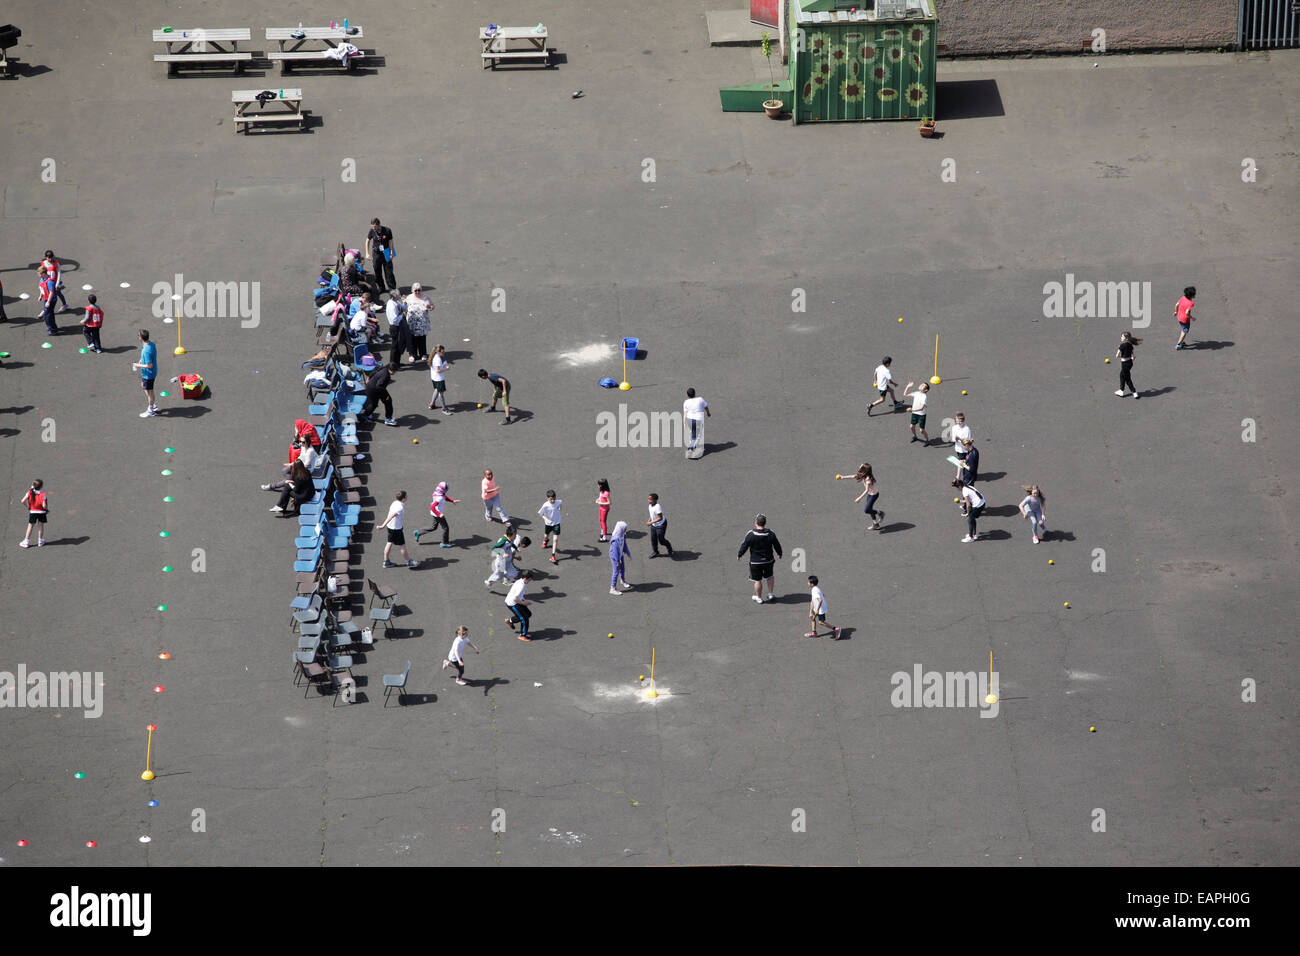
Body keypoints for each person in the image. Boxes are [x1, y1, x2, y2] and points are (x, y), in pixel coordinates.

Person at [737, 514, 782, 603]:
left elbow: (744, 545)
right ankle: (770, 593)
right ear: (765, 523)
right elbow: (777, 545)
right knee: (770, 576)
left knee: (757, 580)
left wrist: (740, 554)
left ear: (756, 523)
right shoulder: (770, 533)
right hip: (768, 560)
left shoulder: (751, 534)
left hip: (755, 562)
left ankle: (759, 597)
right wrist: (779, 553)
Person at [378, 490, 418, 568]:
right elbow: (391, 516)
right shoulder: (399, 507)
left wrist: (384, 526)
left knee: (389, 542)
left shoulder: (395, 502)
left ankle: (386, 562)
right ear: (403, 498)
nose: (407, 497)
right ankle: (409, 561)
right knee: (402, 545)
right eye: (406, 496)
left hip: (390, 527)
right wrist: (382, 526)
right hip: (396, 529)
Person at [414, 481, 458, 547]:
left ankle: (418, 532)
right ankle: (444, 543)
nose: (447, 490)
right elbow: (432, 507)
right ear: (443, 490)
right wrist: (439, 514)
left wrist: (452, 500)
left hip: (434, 514)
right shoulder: (439, 498)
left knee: (433, 527)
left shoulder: (438, 493)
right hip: (438, 514)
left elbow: (445, 497)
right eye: (446, 489)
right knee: (446, 528)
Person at [360, 361, 398, 427]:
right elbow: (379, 386)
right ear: (391, 370)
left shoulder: (383, 368)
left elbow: (374, 371)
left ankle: (367, 414)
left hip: (371, 387)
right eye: (394, 371)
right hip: (374, 390)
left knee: (378, 403)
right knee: (378, 403)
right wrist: (386, 396)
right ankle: (365, 415)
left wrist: (369, 378)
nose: (395, 372)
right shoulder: (386, 376)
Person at [131, 329, 159, 418]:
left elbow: (149, 365)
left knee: (149, 391)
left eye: (138, 335)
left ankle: (151, 410)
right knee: (145, 387)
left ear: (141, 338)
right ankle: (153, 405)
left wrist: (138, 365)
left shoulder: (146, 350)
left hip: (149, 374)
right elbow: (143, 358)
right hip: (150, 373)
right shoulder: (150, 344)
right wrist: (139, 362)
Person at [365, 218, 396, 294]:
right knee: (377, 271)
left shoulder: (387, 230)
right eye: (372, 226)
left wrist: (391, 253)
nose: (373, 228)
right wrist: (367, 253)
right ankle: (381, 287)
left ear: (379, 225)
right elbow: (367, 241)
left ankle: (392, 288)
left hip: (386, 252)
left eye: (375, 227)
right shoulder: (372, 231)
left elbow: (391, 242)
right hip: (376, 253)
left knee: (388, 271)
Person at [805, 575, 841, 640]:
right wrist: (810, 612)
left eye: (808, 582)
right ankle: (814, 633)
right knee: (812, 618)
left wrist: (817, 611)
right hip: (816, 607)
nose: (807, 583)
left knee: (821, 622)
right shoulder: (814, 589)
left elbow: (820, 600)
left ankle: (836, 629)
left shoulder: (815, 590)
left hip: (820, 609)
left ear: (812, 584)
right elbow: (812, 601)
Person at [404, 283, 432, 363]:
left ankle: (423, 354)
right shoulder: (408, 297)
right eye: (415, 290)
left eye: (419, 290)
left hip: (422, 322)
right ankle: (412, 354)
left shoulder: (425, 297)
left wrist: (429, 307)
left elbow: (432, 306)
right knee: (412, 339)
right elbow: (404, 308)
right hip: (412, 322)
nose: (417, 292)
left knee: (422, 338)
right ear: (412, 290)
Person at [851, 463, 884, 531]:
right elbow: (853, 476)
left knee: (867, 510)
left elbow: (866, 490)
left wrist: (859, 498)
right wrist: (843, 477)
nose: (860, 465)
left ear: (864, 470)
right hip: (870, 494)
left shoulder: (868, 479)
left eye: (861, 466)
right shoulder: (863, 474)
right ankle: (876, 525)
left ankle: (880, 513)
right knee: (870, 509)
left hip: (874, 495)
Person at [504, 571, 535, 641]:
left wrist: (523, 600)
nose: (530, 581)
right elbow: (515, 599)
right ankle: (522, 635)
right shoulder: (521, 585)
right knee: (524, 619)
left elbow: (517, 594)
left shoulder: (520, 581)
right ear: (526, 578)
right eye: (530, 579)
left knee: (528, 614)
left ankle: (510, 621)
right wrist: (524, 603)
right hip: (513, 604)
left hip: (516, 601)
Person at [953, 478, 986, 543]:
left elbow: (968, 505)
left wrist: (967, 513)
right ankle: (974, 534)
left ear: (959, 486)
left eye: (957, 487)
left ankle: (971, 537)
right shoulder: (967, 486)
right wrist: (961, 501)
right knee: (972, 519)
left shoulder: (964, 491)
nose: (957, 489)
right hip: (982, 502)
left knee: (969, 519)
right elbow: (971, 499)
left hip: (978, 505)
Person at [19, 479, 48, 548]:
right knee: (41, 526)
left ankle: (26, 542)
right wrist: (46, 509)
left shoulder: (29, 492)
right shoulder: (43, 494)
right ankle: (40, 541)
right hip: (42, 512)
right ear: (41, 487)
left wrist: (28, 507)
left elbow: (22, 501)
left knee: (30, 526)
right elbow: (44, 506)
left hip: (33, 512)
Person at [538, 490, 563, 564]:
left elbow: (560, 505)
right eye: (551, 499)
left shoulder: (558, 502)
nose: (552, 500)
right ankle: (546, 540)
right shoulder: (545, 505)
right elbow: (541, 514)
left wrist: (560, 508)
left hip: (556, 523)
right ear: (547, 498)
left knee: (555, 539)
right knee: (546, 535)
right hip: (548, 524)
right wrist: (547, 519)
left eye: (554, 499)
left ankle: (553, 555)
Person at [385, 290, 409, 366]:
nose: (400, 295)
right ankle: (392, 364)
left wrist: (405, 304)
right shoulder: (392, 306)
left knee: (399, 344)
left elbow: (403, 308)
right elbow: (394, 320)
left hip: (399, 325)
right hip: (395, 327)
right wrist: (402, 315)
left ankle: (397, 363)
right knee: (394, 346)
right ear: (395, 296)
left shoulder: (396, 302)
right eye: (399, 294)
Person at [645, 493, 673, 557]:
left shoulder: (657, 507)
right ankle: (656, 552)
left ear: (655, 500)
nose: (648, 500)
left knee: (662, 541)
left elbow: (660, 518)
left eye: (650, 499)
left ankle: (670, 549)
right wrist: (649, 520)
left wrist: (651, 522)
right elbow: (652, 515)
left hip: (661, 525)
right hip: (654, 525)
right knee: (653, 539)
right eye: (648, 499)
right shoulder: (650, 505)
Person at [683, 387, 710, 452]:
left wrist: (684, 424)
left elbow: (684, 414)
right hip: (698, 420)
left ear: (687, 395)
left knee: (692, 433)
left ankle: (691, 445)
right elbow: (706, 406)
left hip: (689, 420)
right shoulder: (700, 399)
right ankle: (692, 448)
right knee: (698, 434)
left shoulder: (686, 402)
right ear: (695, 393)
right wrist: (708, 413)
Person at [608, 521, 632, 595]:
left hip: (620, 555)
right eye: (624, 528)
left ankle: (623, 581)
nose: (625, 530)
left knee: (623, 569)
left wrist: (628, 553)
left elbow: (624, 545)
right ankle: (612, 588)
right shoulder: (615, 541)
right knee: (616, 571)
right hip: (615, 557)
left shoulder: (622, 535)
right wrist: (617, 562)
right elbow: (615, 553)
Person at [1115, 331, 1142, 398]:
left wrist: (1122, 355)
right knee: (1122, 375)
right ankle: (1121, 390)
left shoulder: (1121, 346)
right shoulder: (1130, 345)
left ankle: (1134, 392)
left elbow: (1117, 356)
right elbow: (1133, 357)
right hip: (1130, 363)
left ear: (1126, 338)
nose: (1121, 337)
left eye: (1122, 336)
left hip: (1124, 364)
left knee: (1127, 378)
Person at [427, 344, 451, 414]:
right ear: (438, 352)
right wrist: (446, 368)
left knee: (436, 389)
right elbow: (438, 371)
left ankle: (432, 404)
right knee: (441, 394)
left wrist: (442, 366)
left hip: (434, 378)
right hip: (439, 379)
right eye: (442, 352)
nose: (444, 353)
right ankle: (444, 409)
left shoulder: (433, 356)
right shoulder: (437, 359)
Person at [950, 412, 972, 479]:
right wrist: (955, 439)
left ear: (963, 421)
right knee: (964, 462)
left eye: (960, 421)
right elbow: (952, 439)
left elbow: (968, 441)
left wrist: (959, 439)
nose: (958, 423)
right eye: (957, 421)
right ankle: (969, 472)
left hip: (964, 449)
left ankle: (958, 477)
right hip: (958, 449)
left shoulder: (967, 429)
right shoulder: (954, 427)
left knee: (961, 462)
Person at [37, 266, 58, 335]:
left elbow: (51, 292)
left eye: (39, 274)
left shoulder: (50, 282)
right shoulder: (42, 279)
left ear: (43, 273)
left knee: (47, 315)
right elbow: (42, 288)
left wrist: (48, 302)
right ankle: (53, 327)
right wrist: (40, 296)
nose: (38, 276)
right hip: (46, 298)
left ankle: (51, 329)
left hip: (51, 299)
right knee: (50, 313)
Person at [1174, 285, 1196, 350]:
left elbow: (1176, 304)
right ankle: (1179, 344)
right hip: (1185, 319)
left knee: (1183, 328)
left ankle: (1181, 341)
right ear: (1191, 296)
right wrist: (1191, 317)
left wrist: (1175, 312)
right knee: (1185, 331)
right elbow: (1187, 312)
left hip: (1179, 317)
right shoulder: (1191, 303)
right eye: (1194, 294)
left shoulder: (1183, 297)